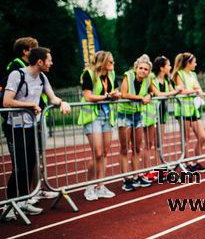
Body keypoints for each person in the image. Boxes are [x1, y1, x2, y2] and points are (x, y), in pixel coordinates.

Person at [2, 47, 71, 220]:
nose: (51, 62)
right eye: (49, 59)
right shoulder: (17, 75)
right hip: (15, 128)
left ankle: (24, 201)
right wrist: (30, 106)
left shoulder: (42, 77)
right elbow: (7, 101)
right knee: (20, 167)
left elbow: (52, 97)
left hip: (32, 126)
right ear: (40, 62)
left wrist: (62, 103)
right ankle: (9, 205)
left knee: (31, 163)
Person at [78, 51, 121, 200]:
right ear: (102, 62)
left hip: (106, 114)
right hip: (92, 116)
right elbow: (88, 96)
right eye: (110, 62)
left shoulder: (112, 74)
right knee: (97, 152)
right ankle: (89, 187)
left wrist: (116, 95)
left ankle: (100, 186)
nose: (113, 64)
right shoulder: (88, 74)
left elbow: (115, 92)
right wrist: (107, 96)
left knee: (105, 152)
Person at [118, 54, 156, 191]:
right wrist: (141, 97)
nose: (143, 71)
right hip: (125, 115)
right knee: (124, 148)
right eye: (141, 68)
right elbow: (124, 94)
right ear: (136, 68)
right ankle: (126, 179)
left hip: (138, 115)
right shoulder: (128, 76)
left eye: (146, 69)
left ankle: (136, 175)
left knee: (137, 147)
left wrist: (150, 95)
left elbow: (152, 92)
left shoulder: (148, 79)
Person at [142, 56, 183, 178]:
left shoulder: (166, 80)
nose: (170, 67)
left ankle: (159, 167)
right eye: (168, 65)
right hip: (151, 115)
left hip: (162, 114)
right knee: (149, 143)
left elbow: (173, 91)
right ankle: (146, 170)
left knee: (159, 143)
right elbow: (159, 94)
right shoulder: (152, 79)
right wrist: (174, 92)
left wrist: (175, 90)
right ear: (161, 67)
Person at [172, 52, 205, 172]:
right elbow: (181, 91)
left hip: (193, 110)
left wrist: (198, 91)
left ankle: (195, 162)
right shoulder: (179, 74)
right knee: (186, 139)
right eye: (194, 62)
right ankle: (187, 164)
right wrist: (195, 91)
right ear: (188, 63)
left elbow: (198, 87)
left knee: (202, 137)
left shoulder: (193, 74)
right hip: (183, 110)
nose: (196, 64)